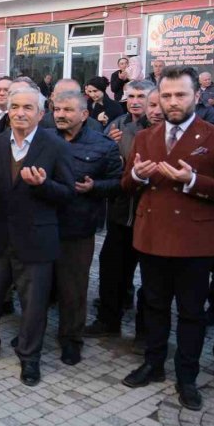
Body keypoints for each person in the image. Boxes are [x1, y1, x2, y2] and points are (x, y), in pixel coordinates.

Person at [120, 65, 214, 411]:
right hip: (152, 236)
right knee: (153, 305)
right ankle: (154, 365)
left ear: (196, 96)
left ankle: (187, 377)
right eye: (166, 95)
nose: (172, 102)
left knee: (191, 313)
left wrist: (193, 180)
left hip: (196, 242)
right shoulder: (145, 137)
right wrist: (137, 176)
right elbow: (126, 185)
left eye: (180, 94)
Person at [0, 86, 75, 386]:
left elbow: (68, 194)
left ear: (40, 113)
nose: (20, 113)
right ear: (8, 111)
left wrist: (43, 185)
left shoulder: (55, 146)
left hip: (36, 240)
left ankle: (29, 358)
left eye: (27, 108)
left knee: (34, 305)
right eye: (15, 107)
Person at [84, 85, 161, 343]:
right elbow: (103, 161)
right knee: (111, 267)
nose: (135, 102)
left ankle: (145, 333)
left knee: (150, 278)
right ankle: (108, 319)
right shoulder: (117, 124)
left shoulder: (158, 127)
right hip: (120, 210)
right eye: (132, 96)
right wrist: (110, 143)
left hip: (148, 213)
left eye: (143, 97)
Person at [52, 91, 122, 366]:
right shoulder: (43, 138)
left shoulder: (103, 145)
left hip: (78, 228)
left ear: (84, 114)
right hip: (43, 225)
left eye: (68, 110)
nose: (60, 115)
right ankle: (31, 332)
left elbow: (118, 182)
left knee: (73, 289)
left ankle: (71, 340)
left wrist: (95, 187)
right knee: (39, 285)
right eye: (57, 109)